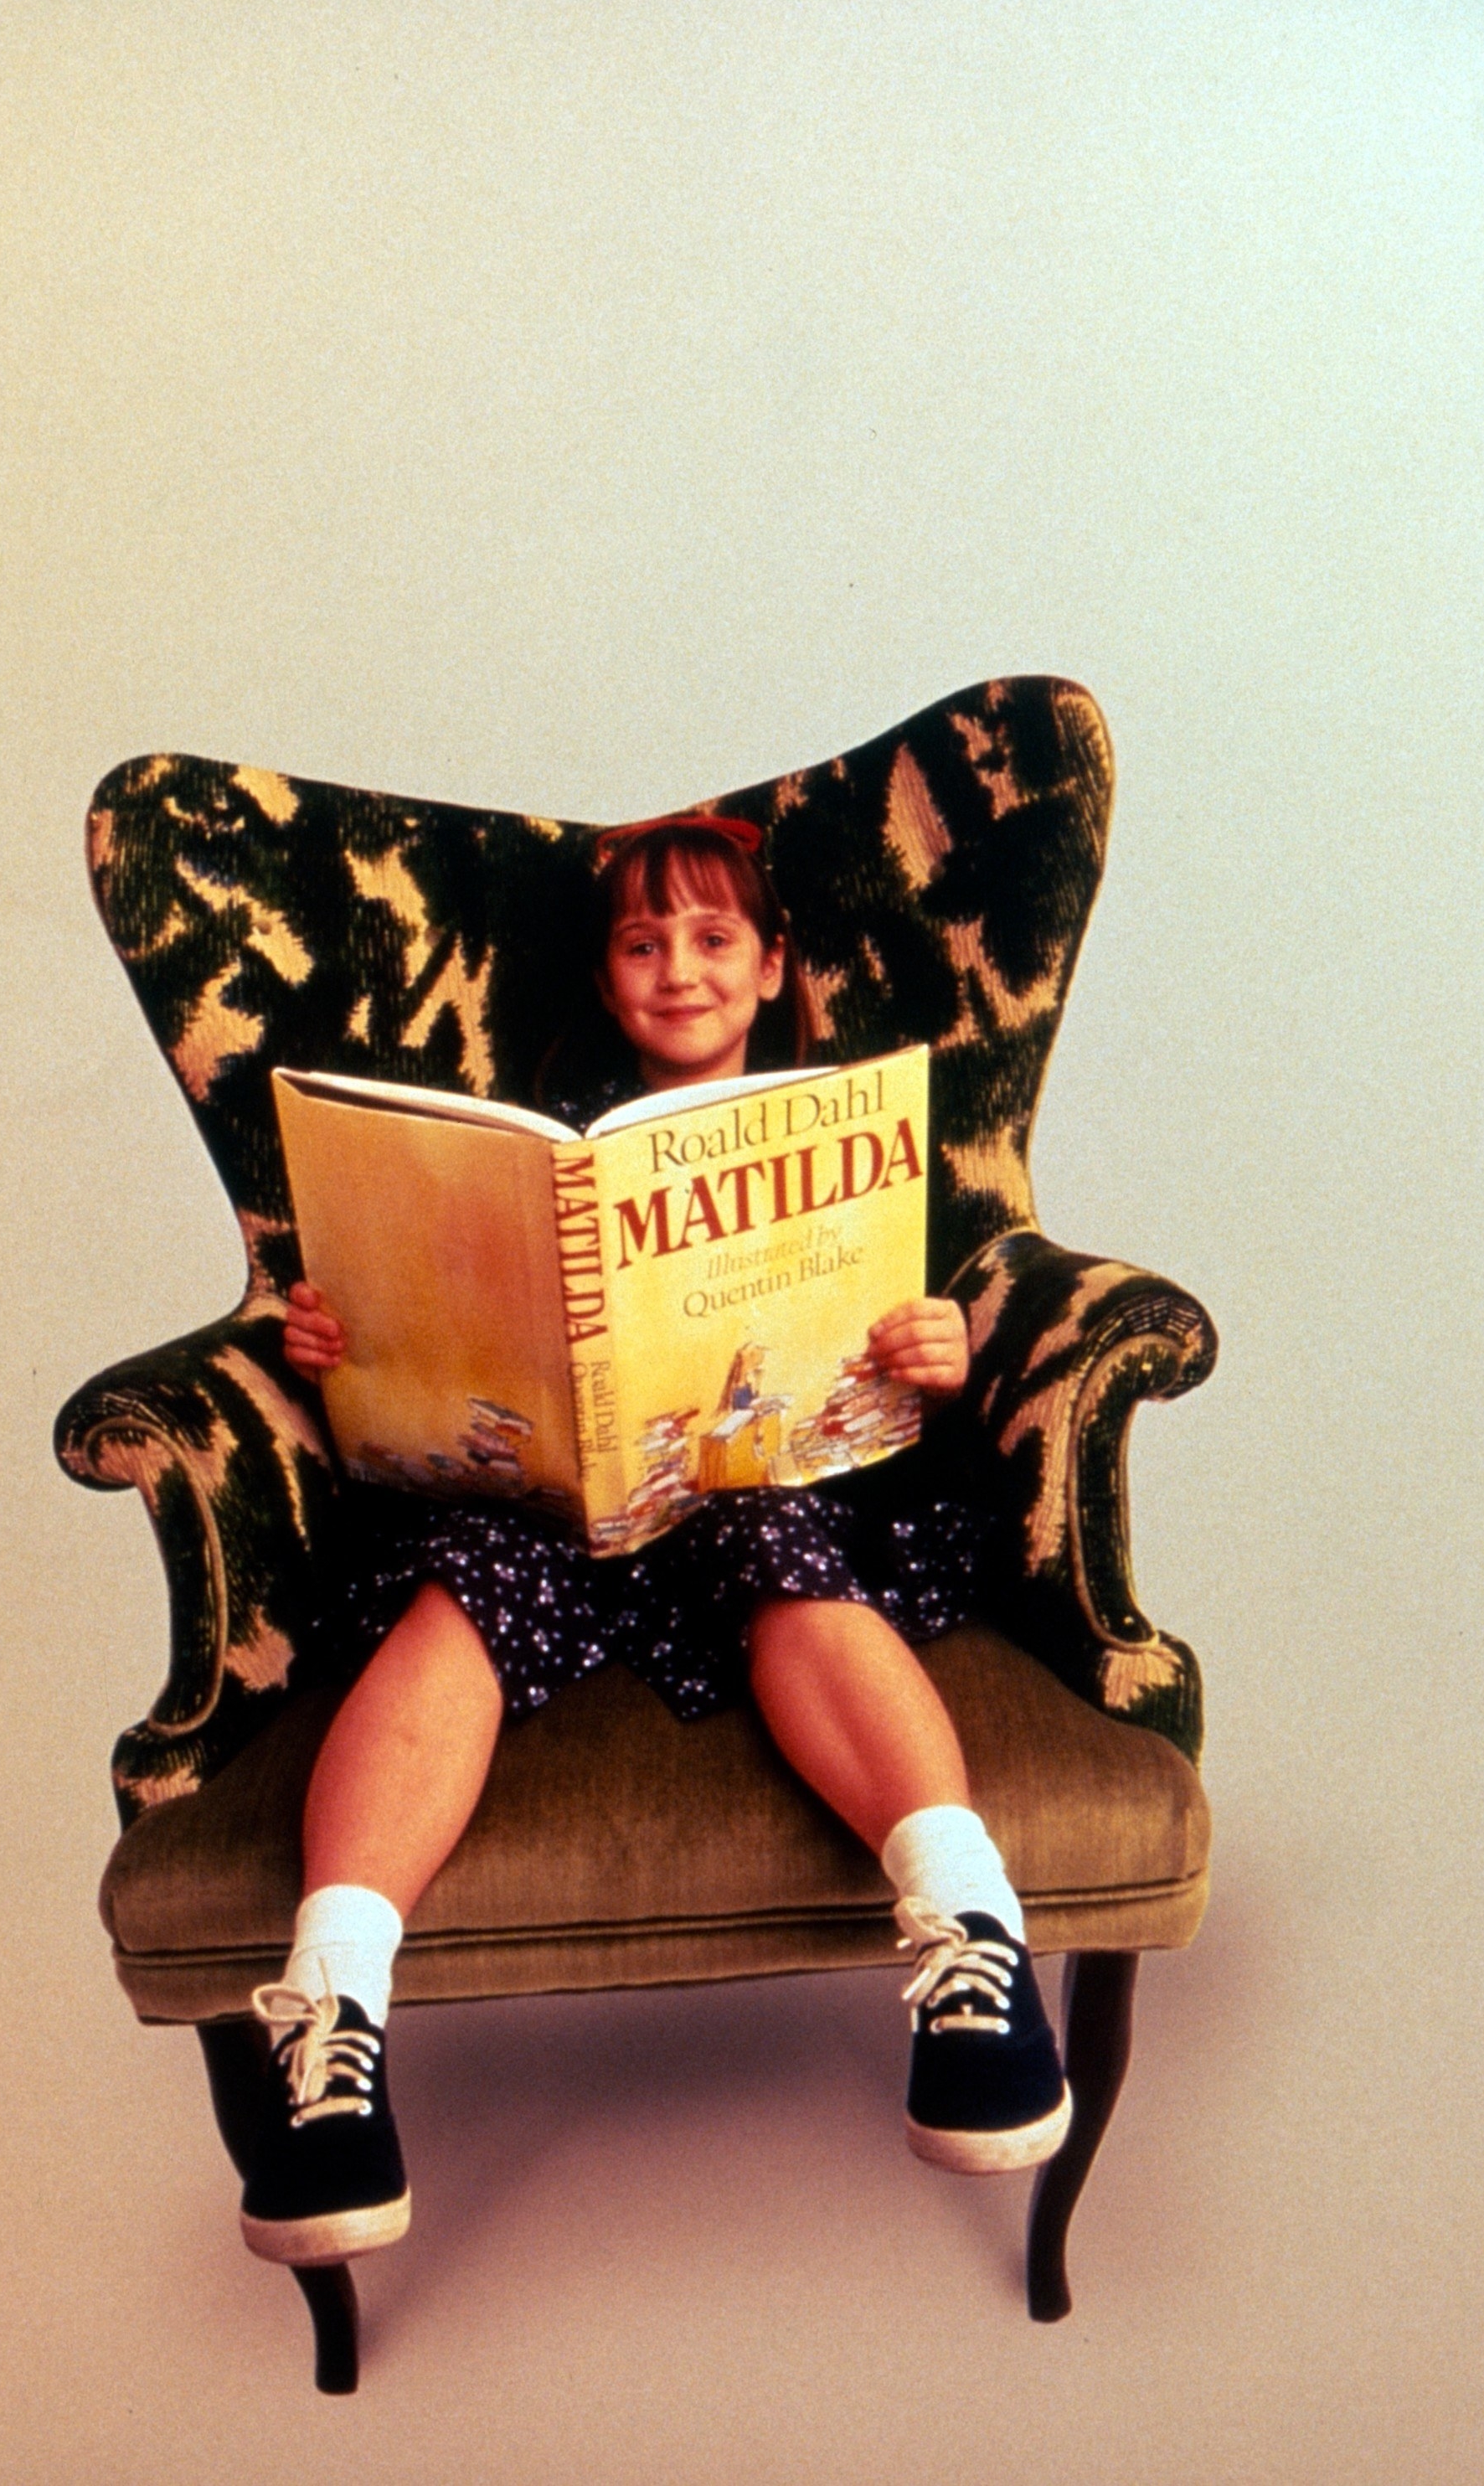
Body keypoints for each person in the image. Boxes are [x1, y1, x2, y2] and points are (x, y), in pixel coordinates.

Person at [238, 812, 1070, 2267]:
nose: (675, 969)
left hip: (770, 1494)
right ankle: (331, 2022)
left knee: (777, 1553)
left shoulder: (854, 1141)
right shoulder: (543, 1151)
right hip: (556, 1509)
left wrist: (936, 1347)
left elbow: (909, 1344)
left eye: (710, 938)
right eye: (641, 942)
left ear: (767, 967)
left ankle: (971, 1942)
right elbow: (404, 1342)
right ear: (607, 974)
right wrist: (332, 1335)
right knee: (471, 1582)